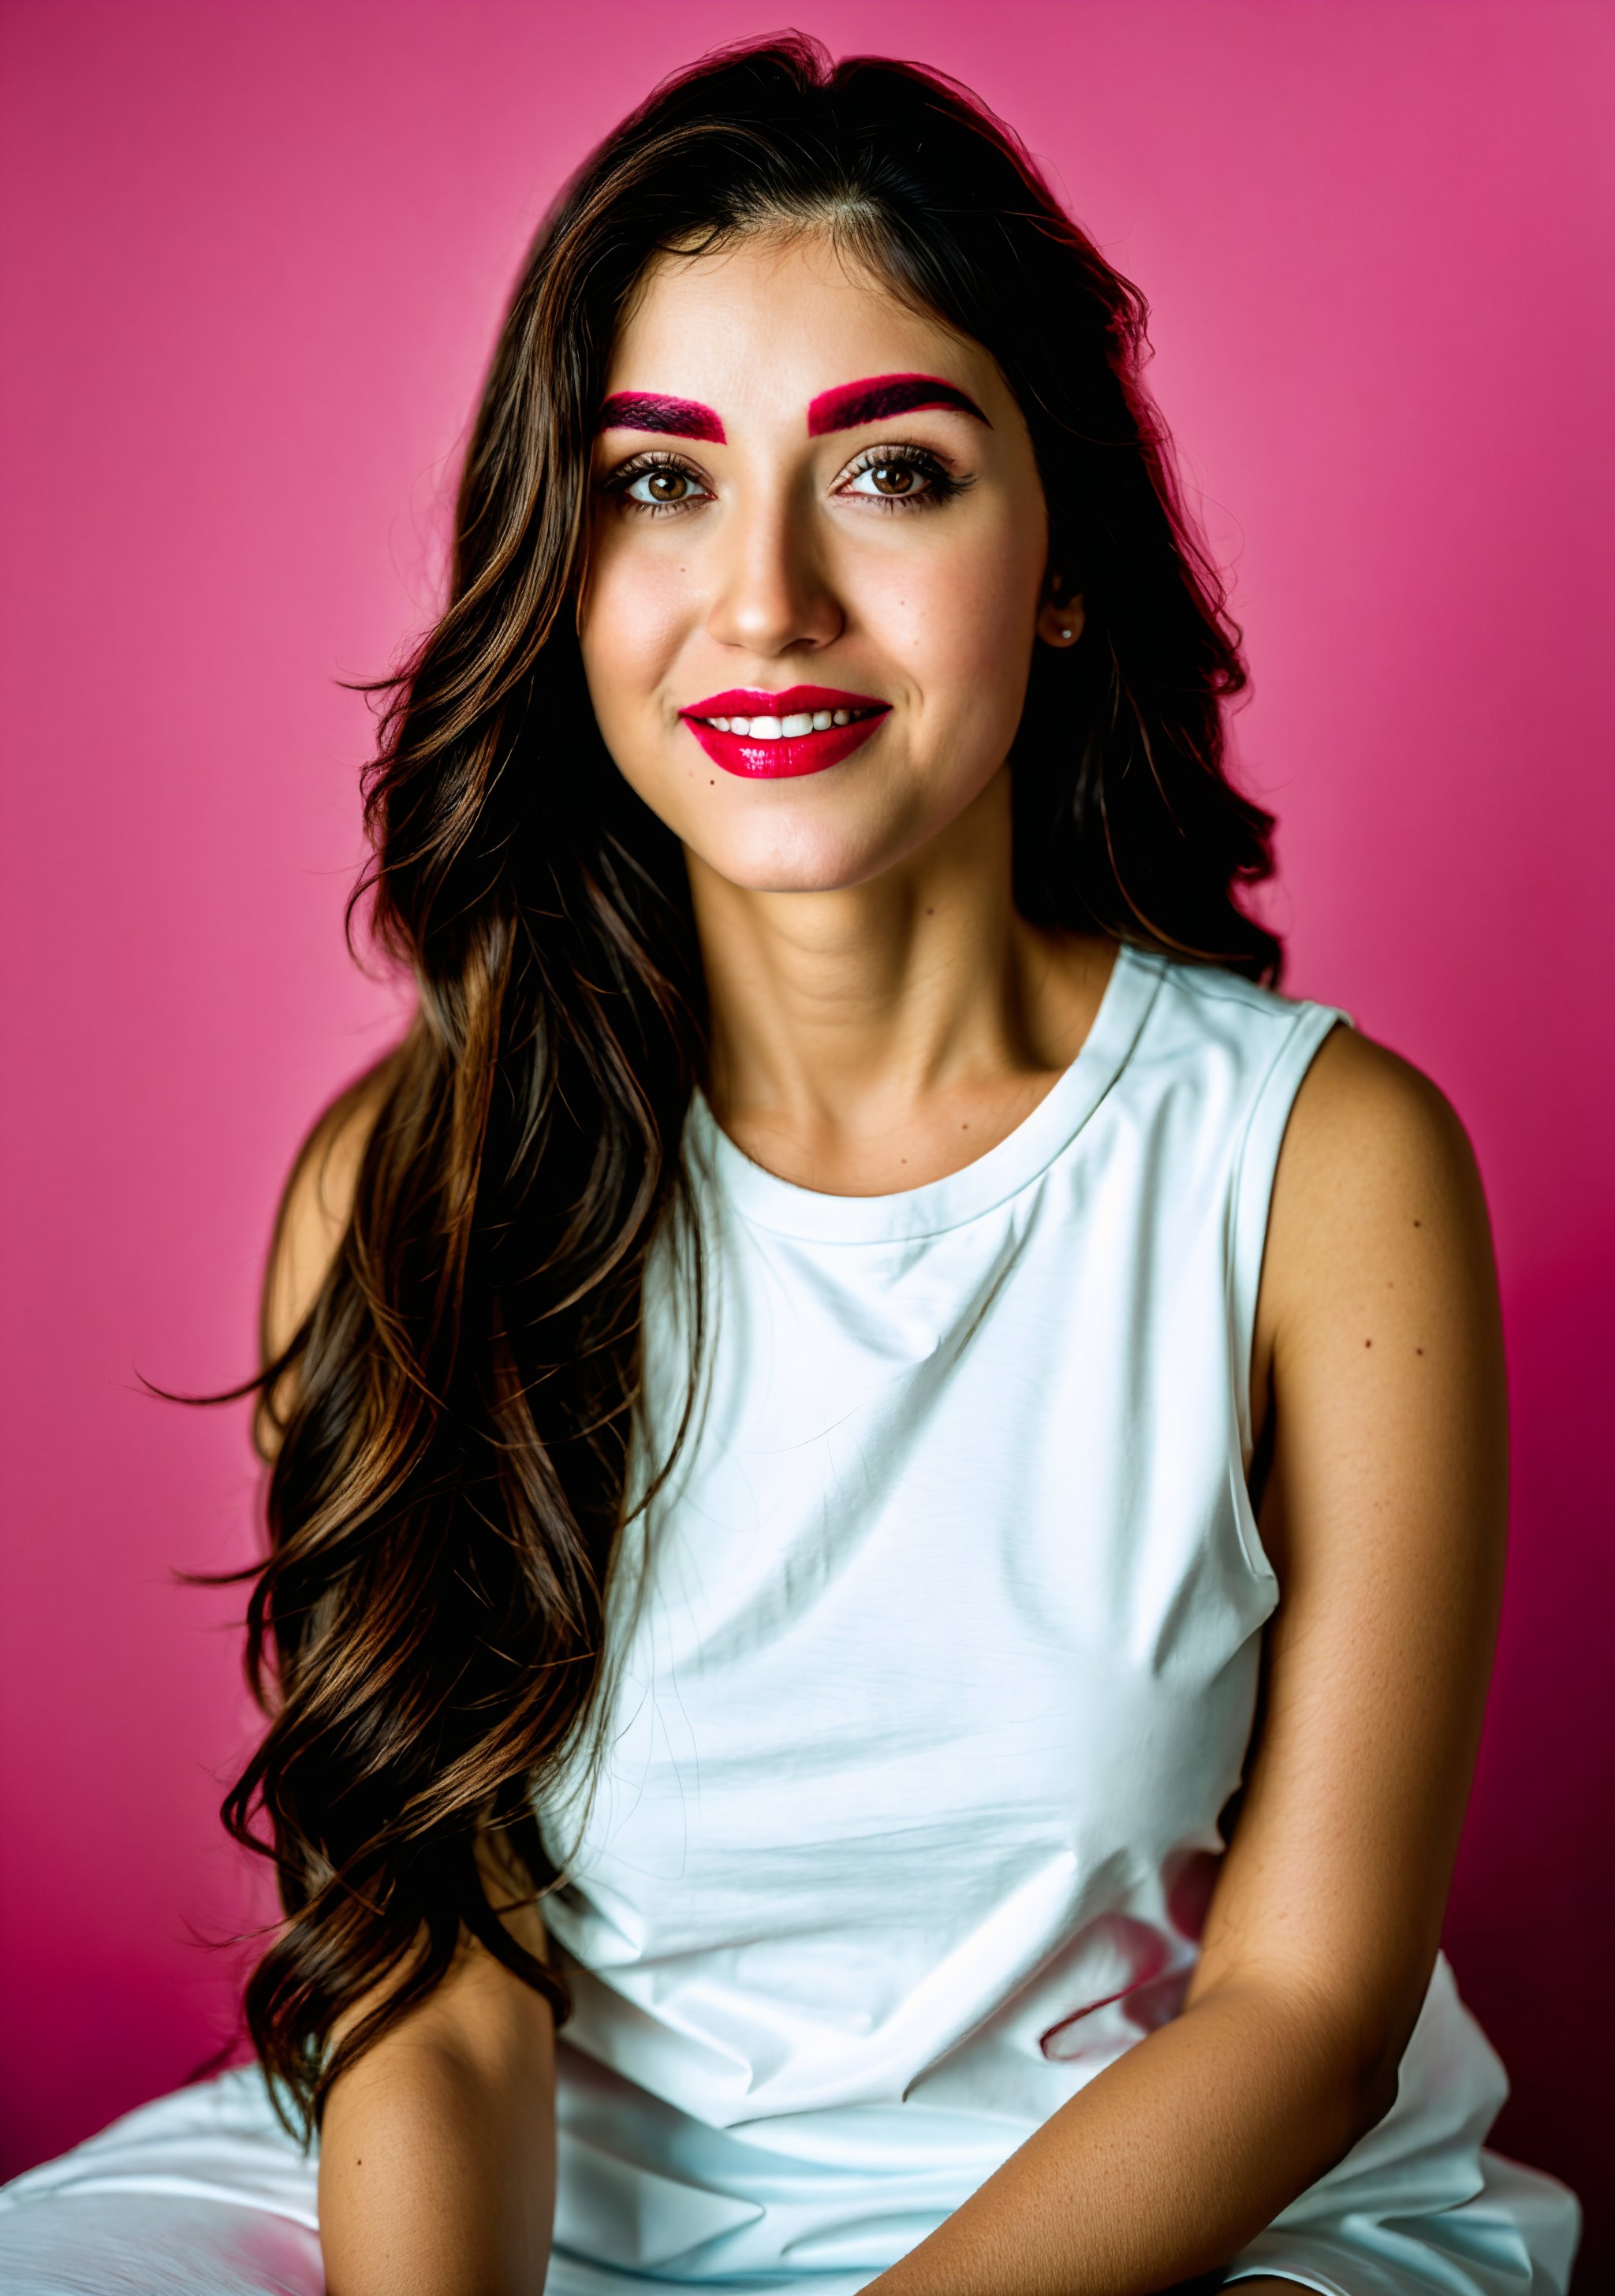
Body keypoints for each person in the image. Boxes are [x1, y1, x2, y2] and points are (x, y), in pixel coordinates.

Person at [0, 34, 1582, 2296]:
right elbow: (437, 1995)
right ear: (562, 568)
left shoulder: (1314, 1167)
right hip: (563, 2212)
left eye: (893, 475)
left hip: (1190, 2229)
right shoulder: (408, 1193)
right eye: (658, 486)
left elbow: (1306, 2017)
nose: (763, 604)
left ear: (1059, 564)